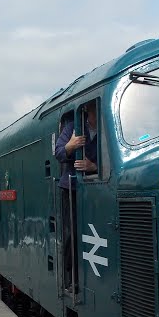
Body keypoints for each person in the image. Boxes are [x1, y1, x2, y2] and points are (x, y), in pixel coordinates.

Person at [53, 101, 98, 291]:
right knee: (71, 233)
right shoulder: (73, 127)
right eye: (94, 108)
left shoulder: (107, 128)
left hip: (97, 188)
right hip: (71, 188)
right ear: (86, 110)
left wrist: (94, 167)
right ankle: (71, 278)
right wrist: (71, 146)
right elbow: (58, 152)